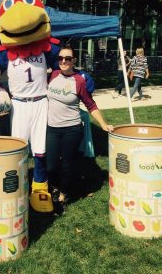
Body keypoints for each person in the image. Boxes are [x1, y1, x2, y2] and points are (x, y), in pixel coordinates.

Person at [46, 45, 114, 212]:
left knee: (68, 163)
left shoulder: (79, 81)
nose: (63, 61)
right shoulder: (53, 75)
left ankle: (63, 194)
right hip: (52, 128)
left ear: (74, 61)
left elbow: (90, 104)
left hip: (72, 129)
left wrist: (103, 124)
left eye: (67, 58)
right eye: (60, 58)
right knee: (51, 164)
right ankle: (54, 186)